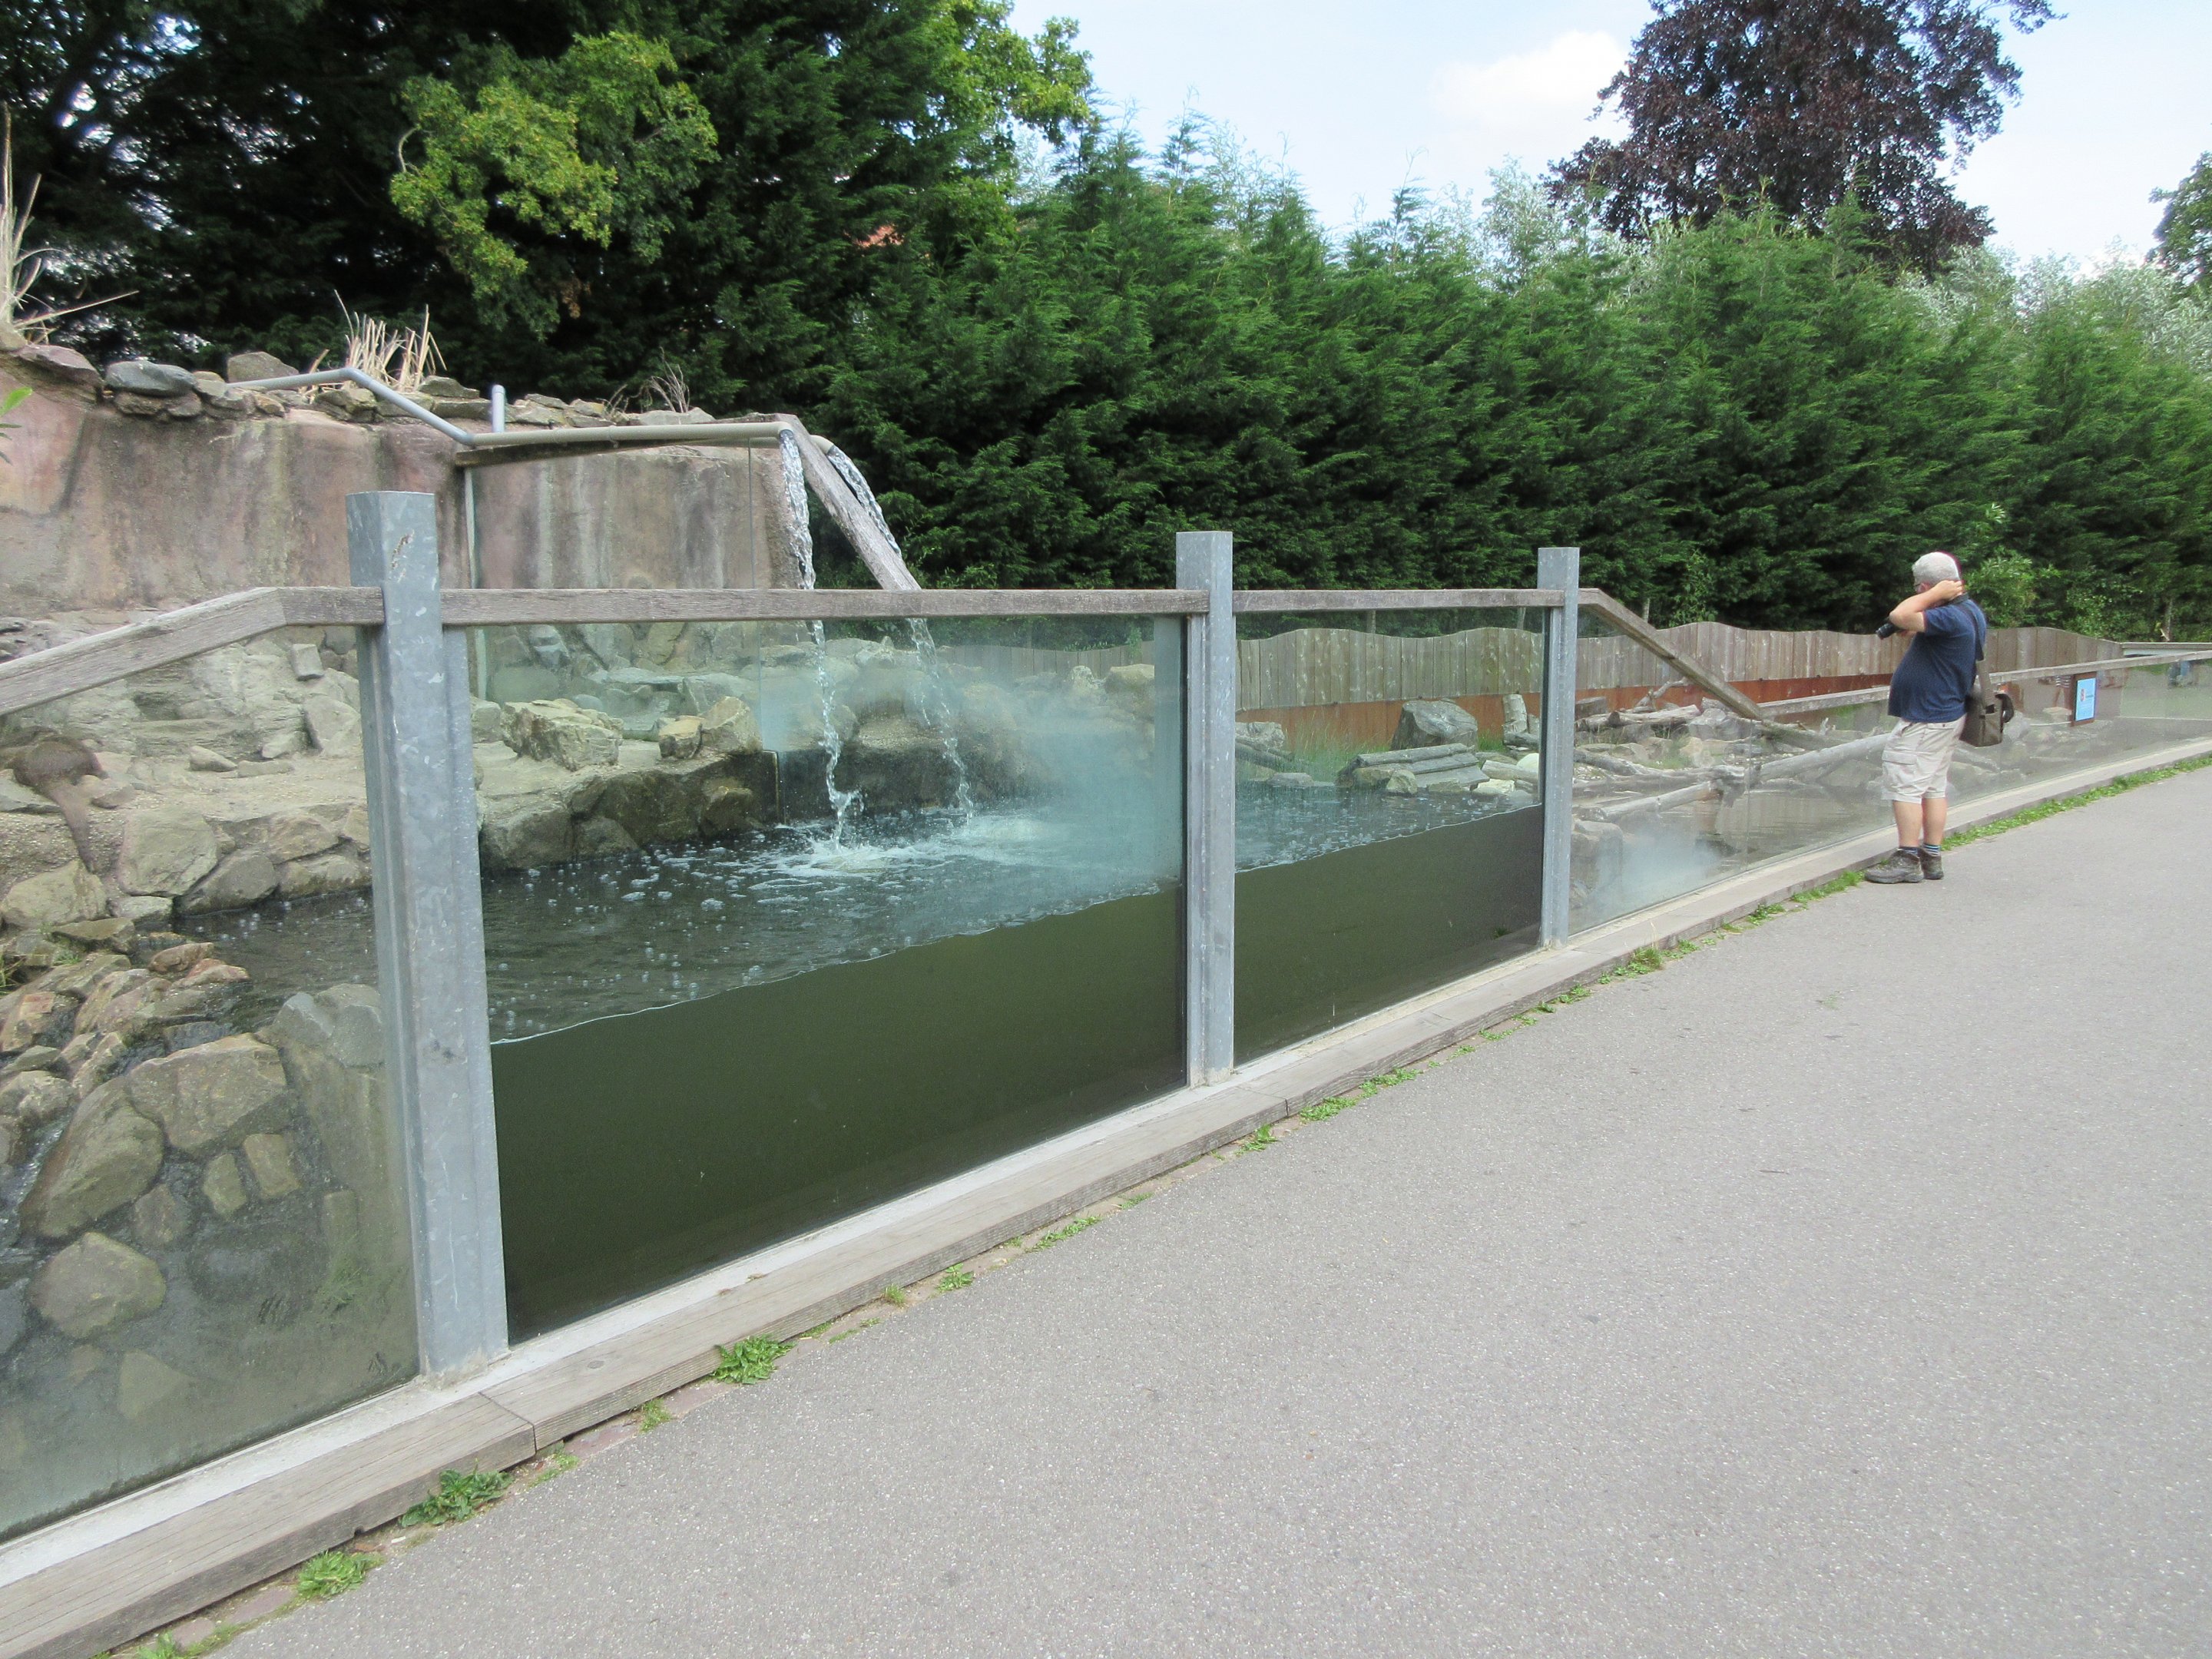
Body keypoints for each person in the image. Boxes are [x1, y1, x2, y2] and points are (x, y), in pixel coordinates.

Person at [1864, 551, 1987, 885]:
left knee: (1905, 785)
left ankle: (1906, 857)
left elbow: (1899, 613)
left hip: (1926, 719)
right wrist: (1922, 624)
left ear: (1926, 586)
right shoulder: (1969, 613)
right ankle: (1930, 855)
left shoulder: (1950, 616)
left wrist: (1932, 597)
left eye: (1920, 588)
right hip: (1946, 715)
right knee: (1933, 787)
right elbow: (1917, 626)